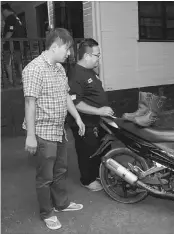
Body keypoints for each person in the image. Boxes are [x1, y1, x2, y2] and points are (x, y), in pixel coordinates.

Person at [22, 28, 86, 230]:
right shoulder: (33, 69)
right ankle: (47, 212)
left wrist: (77, 117)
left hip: (59, 130)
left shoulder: (59, 68)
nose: (69, 54)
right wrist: (30, 136)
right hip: (42, 132)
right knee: (45, 177)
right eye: (67, 49)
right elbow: (29, 103)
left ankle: (61, 204)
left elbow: (66, 95)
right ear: (56, 46)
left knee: (60, 170)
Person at [67, 38, 114, 192]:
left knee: (100, 149)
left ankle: (99, 173)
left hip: (97, 121)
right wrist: (99, 111)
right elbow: (76, 102)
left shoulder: (89, 71)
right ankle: (87, 180)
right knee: (87, 151)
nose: (99, 58)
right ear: (87, 56)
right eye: (97, 55)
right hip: (84, 123)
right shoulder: (76, 74)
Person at [1, 3, 26, 86]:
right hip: (18, 44)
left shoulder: (10, 18)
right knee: (19, 62)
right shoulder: (16, 17)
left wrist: (3, 41)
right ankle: (22, 79)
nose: (2, 14)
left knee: (8, 63)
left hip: (11, 45)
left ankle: (11, 81)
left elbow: (10, 31)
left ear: (5, 10)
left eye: (2, 12)